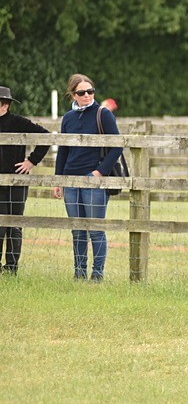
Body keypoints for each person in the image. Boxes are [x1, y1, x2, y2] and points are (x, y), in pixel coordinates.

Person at [52, 74, 121, 281]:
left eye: (90, 91)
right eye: (82, 92)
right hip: (71, 179)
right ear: (73, 94)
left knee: (96, 229)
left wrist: (99, 172)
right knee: (78, 230)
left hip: (93, 180)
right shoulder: (68, 118)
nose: (87, 96)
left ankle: (97, 274)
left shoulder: (103, 114)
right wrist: (59, 179)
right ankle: (79, 273)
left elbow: (117, 146)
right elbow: (63, 150)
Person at [0, 86, 51, 275]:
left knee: (14, 225)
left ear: (5, 105)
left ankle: (11, 267)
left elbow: (45, 135)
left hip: (16, 181)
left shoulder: (18, 122)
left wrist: (31, 161)